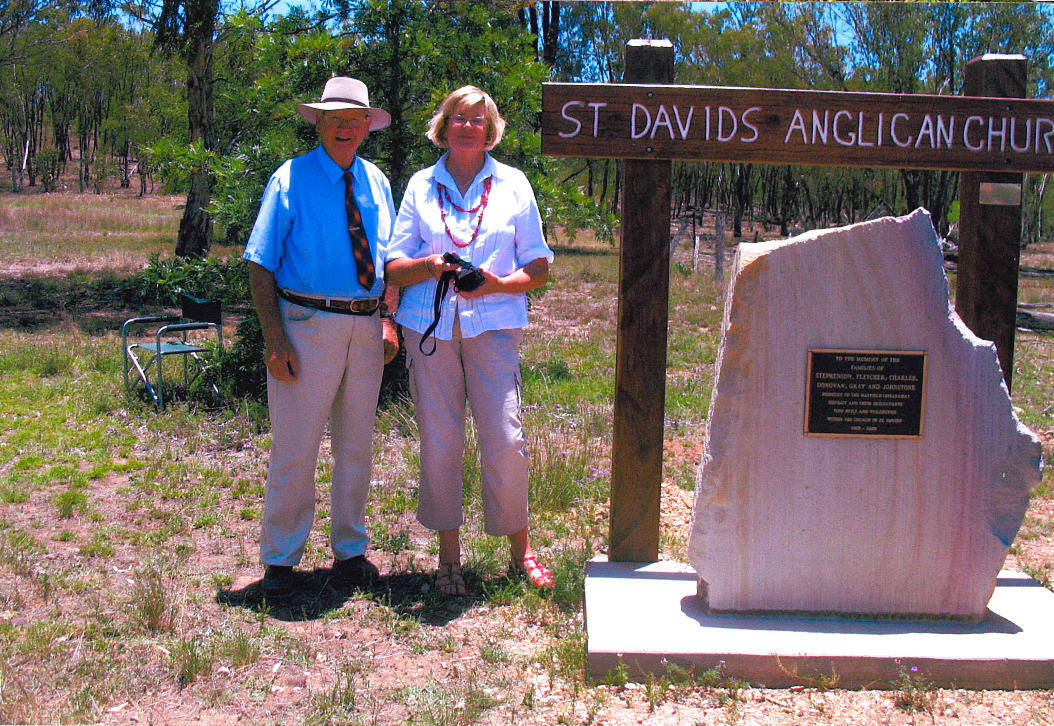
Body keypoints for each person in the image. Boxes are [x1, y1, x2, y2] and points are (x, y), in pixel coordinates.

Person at [384, 86, 554, 596]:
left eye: (477, 119)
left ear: (491, 127)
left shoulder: (514, 185)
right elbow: (393, 266)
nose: (466, 127)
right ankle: (448, 558)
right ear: (444, 124)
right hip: (429, 329)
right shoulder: (420, 185)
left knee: (504, 439)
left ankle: (520, 549)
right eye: (458, 117)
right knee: (440, 441)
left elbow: (540, 268)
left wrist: (495, 283)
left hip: (495, 326)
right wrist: (431, 265)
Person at [243, 77, 400, 601]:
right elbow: (259, 263)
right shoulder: (289, 179)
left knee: (357, 445)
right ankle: (281, 562)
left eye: (355, 120)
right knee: (295, 446)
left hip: (366, 326)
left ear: (366, 128)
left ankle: (350, 554)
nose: (345, 127)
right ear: (319, 123)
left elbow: (389, 262)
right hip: (305, 327)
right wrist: (274, 337)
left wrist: (388, 320)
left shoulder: (377, 181)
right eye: (335, 119)